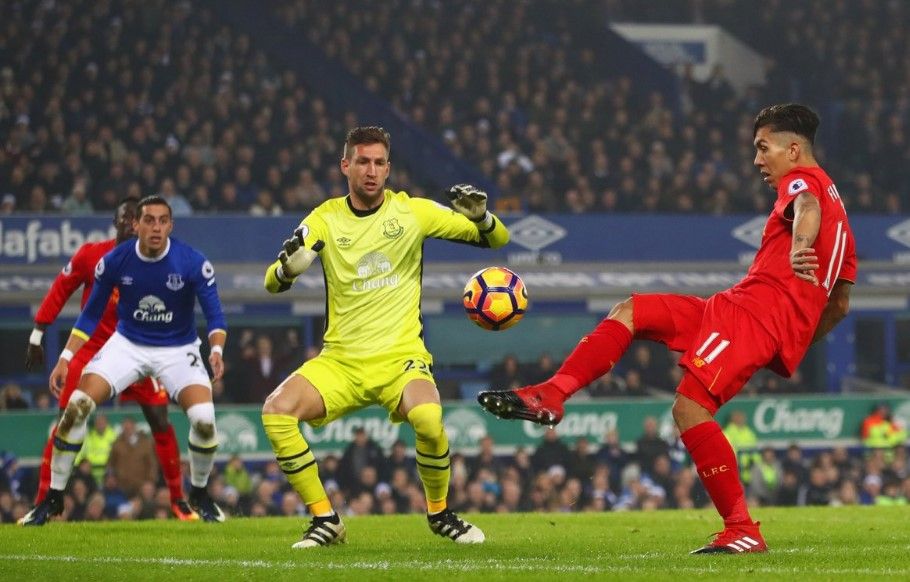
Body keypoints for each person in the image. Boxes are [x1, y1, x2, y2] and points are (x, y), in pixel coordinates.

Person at [479, 103, 856, 554]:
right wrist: (791, 338)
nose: (757, 160)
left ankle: (742, 528)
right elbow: (840, 305)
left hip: (750, 316)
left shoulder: (804, 183)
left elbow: (805, 206)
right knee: (631, 311)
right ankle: (553, 393)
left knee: (690, 408)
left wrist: (798, 248)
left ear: (793, 149)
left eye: (763, 148)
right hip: (735, 309)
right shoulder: (844, 222)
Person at [260, 126, 509, 548]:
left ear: (389, 168)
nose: (371, 171)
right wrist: (286, 270)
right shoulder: (324, 218)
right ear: (346, 166)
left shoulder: (412, 212)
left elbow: (497, 239)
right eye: (362, 162)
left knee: (428, 419)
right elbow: (271, 282)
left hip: (400, 359)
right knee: (276, 411)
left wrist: (483, 218)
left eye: (379, 163)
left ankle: (440, 514)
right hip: (342, 362)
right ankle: (326, 520)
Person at [19, 195, 228, 525]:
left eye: (162, 221)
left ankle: (197, 494)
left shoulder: (192, 262)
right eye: (149, 220)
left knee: (203, 420)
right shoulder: (113, 260)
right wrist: (65, 356)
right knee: (75, 409)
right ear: (136, 224)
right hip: (127, 345)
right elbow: (89, 315)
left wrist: (216, 351)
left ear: (171, 226)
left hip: (177, 348)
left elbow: (215, 315)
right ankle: (53, 498)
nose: (155, 227)